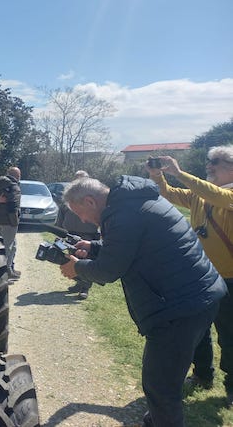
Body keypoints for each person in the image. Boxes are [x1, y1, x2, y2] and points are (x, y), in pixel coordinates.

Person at [59, 175, 226, 427]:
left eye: (80, 213)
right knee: (175, 367)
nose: (82, 220)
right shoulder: (133, 201)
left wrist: (78, 268)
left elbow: (108, 270)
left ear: (91, 201)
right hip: (201, 293)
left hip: (178, 306)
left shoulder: (122, 215)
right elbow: (130, 246)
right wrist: (94, 247)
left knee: (159, 386)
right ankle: (164, 412)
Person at [146, 145, 233, 403]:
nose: (209, 165)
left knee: (229, 334)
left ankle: (232, 385)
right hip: (202, 276)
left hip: (230, 278)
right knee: (198, 330)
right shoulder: (200, 195)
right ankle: (203, 374)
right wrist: (157, 175)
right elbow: (166, 194)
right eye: (209, 160)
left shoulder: (224, 195)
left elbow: (219, 197)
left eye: (216, 161)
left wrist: (180, 173)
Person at [55, 170, 100, 300]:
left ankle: (85, 288)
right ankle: (78, 283)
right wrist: (59, 232)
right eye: (77, 180)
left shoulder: (93, 198)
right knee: (70, 260)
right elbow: (61, 214)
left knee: (85, 262)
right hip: (71, 233)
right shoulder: (68, 197)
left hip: (88, 235)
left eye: (82, 180)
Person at [0, 166, 22, 280]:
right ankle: (3, 275)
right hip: (9, 223)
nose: (19, 177)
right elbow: (13, 206)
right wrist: (15, 222)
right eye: (19, 175)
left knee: (12, 246)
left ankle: (10, 269)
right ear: (16, 176)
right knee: (7, 248)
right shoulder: (14, 187)